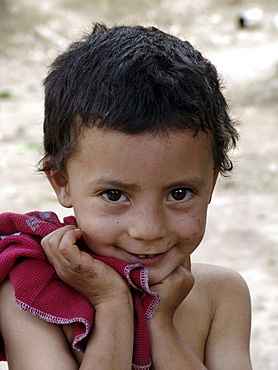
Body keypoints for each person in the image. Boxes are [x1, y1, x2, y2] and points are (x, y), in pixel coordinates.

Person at [0, 23, 252, 369]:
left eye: (179, 193)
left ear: (211, 183)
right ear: (62, 183)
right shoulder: (31, 294)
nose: (148, 230)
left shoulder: (221, 295)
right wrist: (113, 305)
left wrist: (160, 324)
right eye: (115, 195)